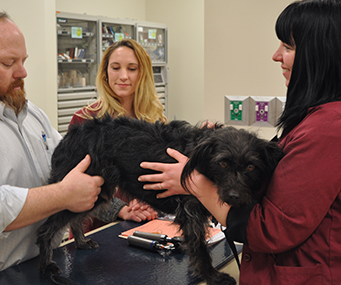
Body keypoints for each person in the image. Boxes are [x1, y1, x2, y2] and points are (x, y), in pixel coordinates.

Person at [140, 0, 341, 284]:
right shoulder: (313, 118)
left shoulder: (328, 129)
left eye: (288, 46)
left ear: (319, 54)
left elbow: (271, 228)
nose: (275, 55)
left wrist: (192, 182)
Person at [0, 10, 104, 284]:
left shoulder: (30, 114)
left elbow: (71, 165)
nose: (22, 72)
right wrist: (63, 195)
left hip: (37, 268)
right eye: (8, 62)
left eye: (23, 60)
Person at [70, 39, 165, 231]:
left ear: (143, 74)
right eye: (115, 68)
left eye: (132, 69)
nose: (123, 76)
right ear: (105, 72)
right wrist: (120, 209)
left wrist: (149, 201)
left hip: (143, 226)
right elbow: (73, 185)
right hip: (96, 232)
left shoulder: (155, 121)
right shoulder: (85, 120)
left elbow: (159, 176)